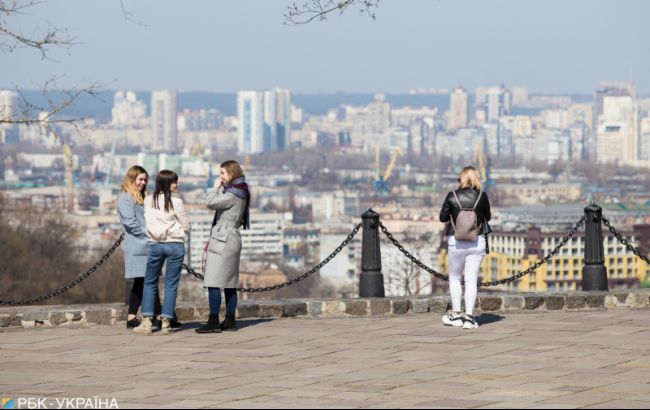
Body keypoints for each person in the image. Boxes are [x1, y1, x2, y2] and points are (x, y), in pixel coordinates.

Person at [134, 170, 191, 335]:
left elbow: (148, 221)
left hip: (155, 245)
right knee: (171, 284)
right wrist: (177, 230)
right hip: (175, 245)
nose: (178, 184)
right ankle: (166, 322)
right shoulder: (177, 202)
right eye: (175, 182)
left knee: (150, 283)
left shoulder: (148, 200)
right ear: (167, 184)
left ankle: (146, 322)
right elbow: (186, 226)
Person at [196, 161, 250, 334]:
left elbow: (210, 202)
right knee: (229, 283)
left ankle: (213, 321)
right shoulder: (242, 191)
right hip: (232, 237)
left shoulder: (232, 194)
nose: (220, 177)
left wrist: (214, 187)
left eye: (222, 174)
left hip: (223, 238)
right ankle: (230, 319)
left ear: (231, 174)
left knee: (213, 281)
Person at [439, 166, 492, 330]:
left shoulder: (452, 196)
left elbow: (442, 217)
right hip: (477, 241)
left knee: (454, 277)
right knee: (471, 280)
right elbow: (487, 217)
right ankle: (469, 317)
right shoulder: (482, 197)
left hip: (457, 242)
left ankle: (455, 315)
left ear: (463, 179)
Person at [117, 166, 162, 329]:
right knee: (149, 281)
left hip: (144, 244)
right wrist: (148, 233)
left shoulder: (139, 196)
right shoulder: (126, 197)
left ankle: (131, 317)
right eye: (140, 179)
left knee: (142, 281)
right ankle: (158, 316)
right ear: (132, 179)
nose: (143, 183)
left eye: (145, 180)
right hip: (138, 244)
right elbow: (130, 222)